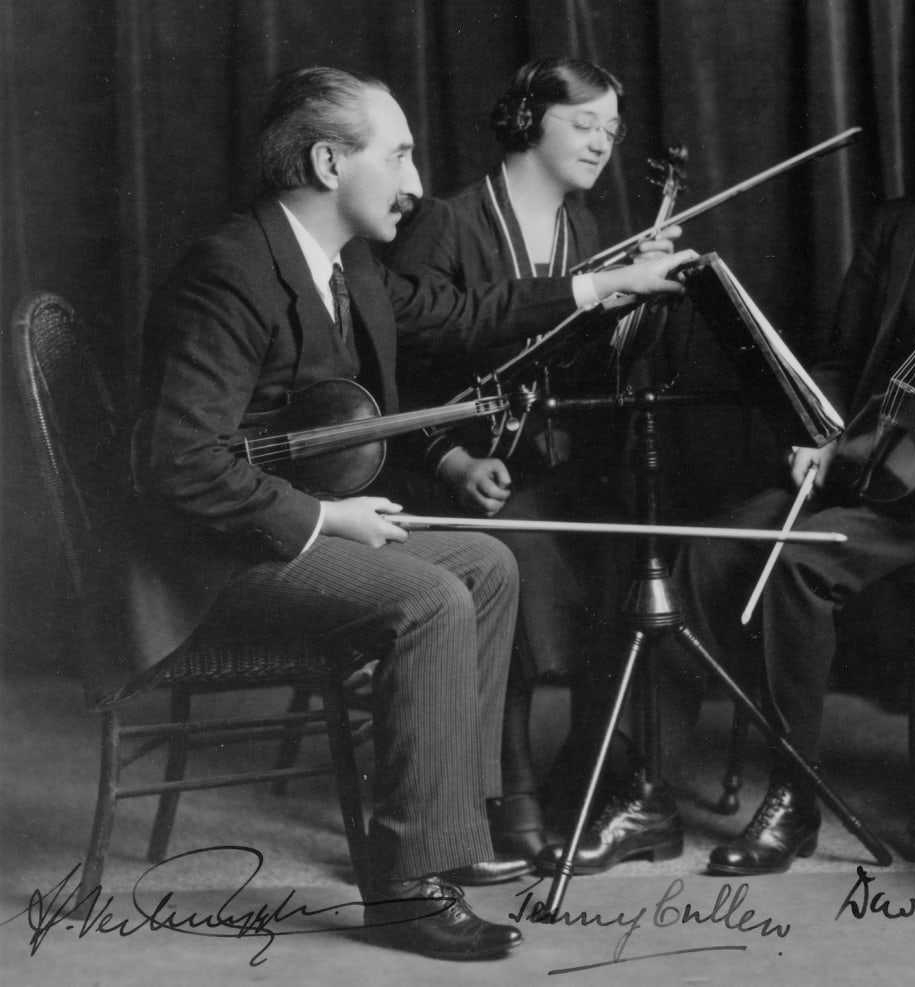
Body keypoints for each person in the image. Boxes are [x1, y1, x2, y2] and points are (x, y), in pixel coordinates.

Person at [127, 66, 690, 960]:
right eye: (398, 156)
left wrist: (604, 286)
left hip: (276, 527)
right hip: (208, 564)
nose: (419, 183)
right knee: (429, 597)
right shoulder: (228, 272)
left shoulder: (347, 264)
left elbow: (467, 314)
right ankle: (403, 891)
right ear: (325, 161)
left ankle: (450, 837)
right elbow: (180, 467)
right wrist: (326, 519)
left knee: (486, 563)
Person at [536, 18, 915, 878]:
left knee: (797, 564)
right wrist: (822, 436)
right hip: (859, 467)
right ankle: (640, 789)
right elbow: (839, 359)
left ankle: (794, 797)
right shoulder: (900, 223)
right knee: (706, 554)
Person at [386, 56, 686, 859]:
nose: (602, 143)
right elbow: (404, 354)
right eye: (583, 123)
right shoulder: (447, 220)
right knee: (511, 550)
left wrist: (631, 301)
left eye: (611, 130)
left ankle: (587, 775)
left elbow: (586, 366)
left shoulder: (587, 232)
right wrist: (449, 459)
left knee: (641, 556)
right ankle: (507, 783)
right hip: (456, 471)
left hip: (556, 469)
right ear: (527, 120)